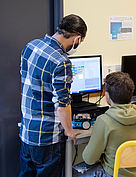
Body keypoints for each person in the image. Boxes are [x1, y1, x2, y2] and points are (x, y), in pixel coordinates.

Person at [19, 14, 87, 177]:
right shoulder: (61, 61)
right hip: (47, 138)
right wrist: (69, 131)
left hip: (27, 131)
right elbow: (62, 104)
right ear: (77, 38)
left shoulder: (31, 46)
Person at [73, 72, 136, 177]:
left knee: (72, 171)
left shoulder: (104, 120)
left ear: (107, 95)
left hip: (114, 173)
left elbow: (89, 159)